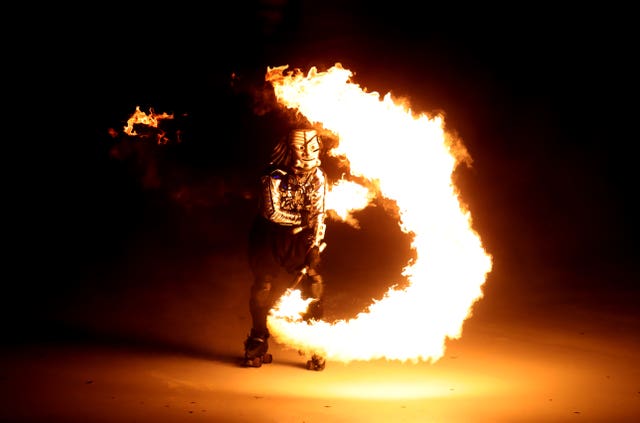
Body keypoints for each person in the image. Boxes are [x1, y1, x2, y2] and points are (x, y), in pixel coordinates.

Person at [243, 127, 328, 367]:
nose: (307, 153)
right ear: (288, 150)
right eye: (301, 147)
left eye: (312, 147)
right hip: (268, 238)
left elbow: (320, 214)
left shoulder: (319, 177)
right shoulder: (274, 176)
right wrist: (304, 221)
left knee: (313, 283)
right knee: (263, 285)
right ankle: (258, 338)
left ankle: (315, 341)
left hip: (300, 239)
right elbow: (271, 213)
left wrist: (315, 244)